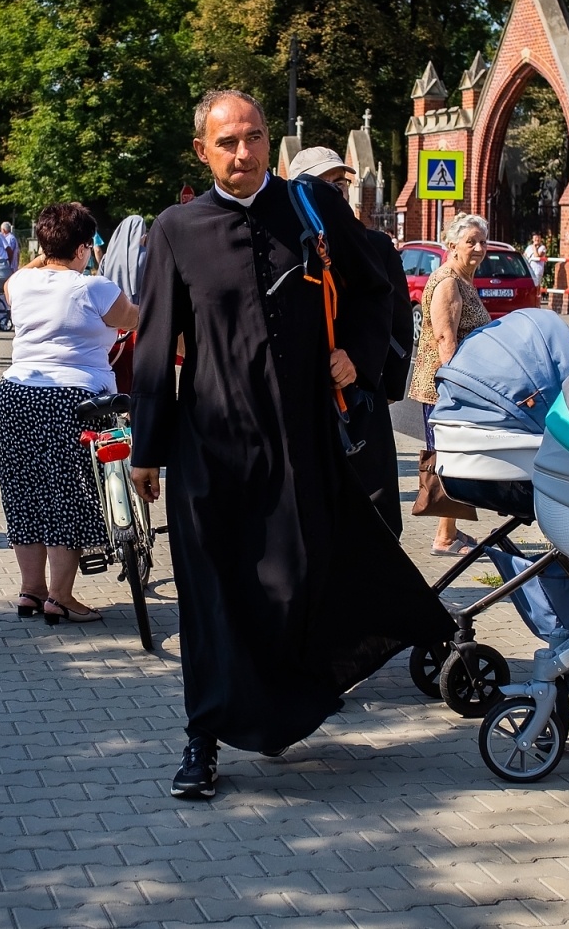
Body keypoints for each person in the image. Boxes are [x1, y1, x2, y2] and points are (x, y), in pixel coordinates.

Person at [130, 89, 453, 800]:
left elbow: (380, 289)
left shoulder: (311, 209)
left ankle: (281, 705)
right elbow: (155, 345)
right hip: (209, 445)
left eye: (252, 138)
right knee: (210, 596)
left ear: (267, 141)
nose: (242, 153)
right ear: (202, 152)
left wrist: (361, 358)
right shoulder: (177, 229)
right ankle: (202, 739)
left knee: (292, 580)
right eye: (226, 143)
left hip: (301, 442)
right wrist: (146, 450)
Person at [0, 202, 138, 624]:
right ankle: (60, 596)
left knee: (23, 492)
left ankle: (31, 590)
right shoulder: (93, 287)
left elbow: (29, 269)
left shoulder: (19, 284)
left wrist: (49, 247)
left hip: (15, 394)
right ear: (83, 248)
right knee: (67, 494)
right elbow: (132, 320)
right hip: (72, 398)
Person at [289, 145, 410, 536]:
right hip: (300, 397)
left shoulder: (374, 245)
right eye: (324, 184)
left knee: (375, 509)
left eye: (340, 183)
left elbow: (396, 320)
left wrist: (373, 372)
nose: (335, 192)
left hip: (359, 394)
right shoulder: (284, 249)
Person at [407, 212, 492, 555]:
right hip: (445, 387)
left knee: (454, 456)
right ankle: (443, 537)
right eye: (470, 241)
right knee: (448, 457)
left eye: (482, 242)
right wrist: (460, 390)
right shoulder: (448, 282)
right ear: (452, 245)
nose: (478, 248)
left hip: (452, 385)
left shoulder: (463, 279)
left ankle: (450, 530)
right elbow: (446, 341)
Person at [0, 220, 19, 329]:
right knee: (3, 295)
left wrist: (9, 264)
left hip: (6, 268)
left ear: (3, 230)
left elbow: (10, 252)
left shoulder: (7, 238)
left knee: (2, 294)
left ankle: (0, 319)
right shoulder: (12, 238)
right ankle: (1, 319)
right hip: (8, 267)